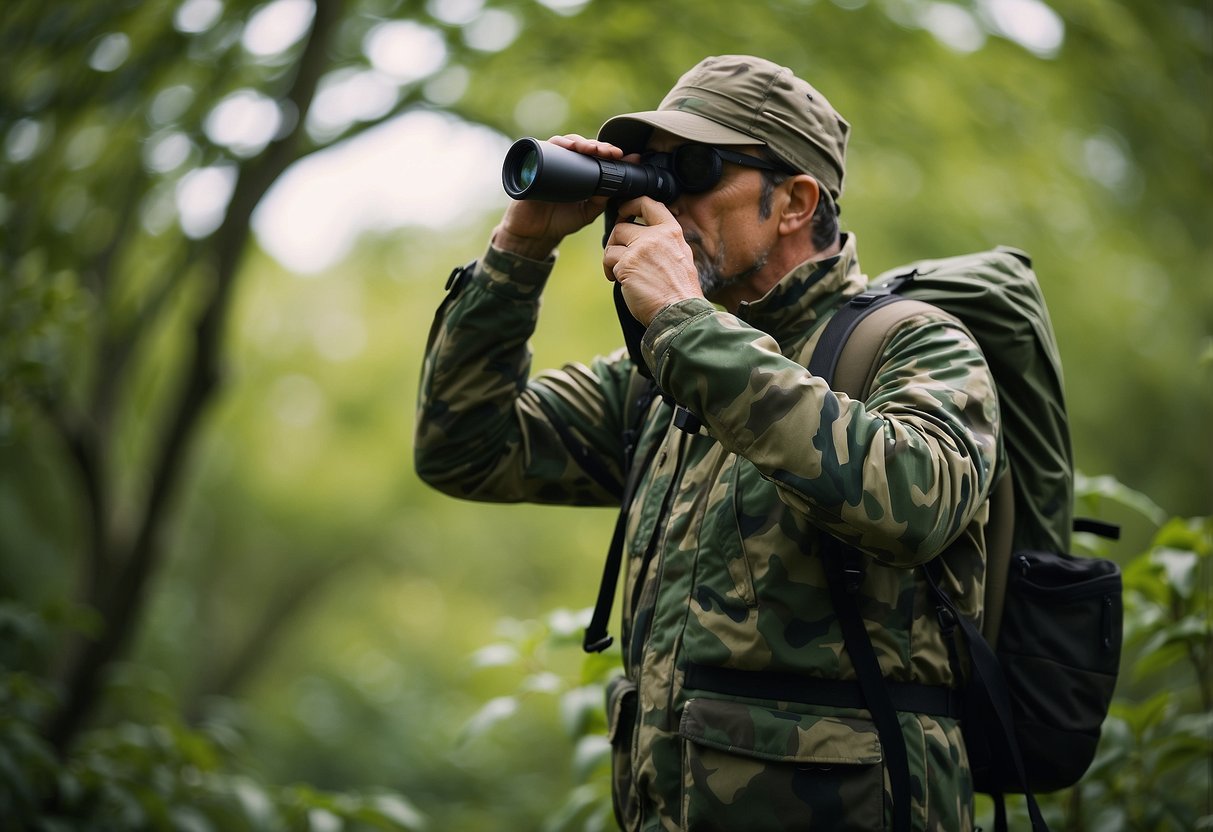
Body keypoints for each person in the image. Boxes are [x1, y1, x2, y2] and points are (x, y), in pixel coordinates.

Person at [415, 54, 1001, 831]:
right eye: (650, 168)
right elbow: (465, 447)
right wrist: (520, 252)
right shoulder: (663, 373)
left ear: (794, 202)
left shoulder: (910, 344)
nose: (662, 192)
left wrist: (686, 324)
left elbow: (912, 504)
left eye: (693, 168)